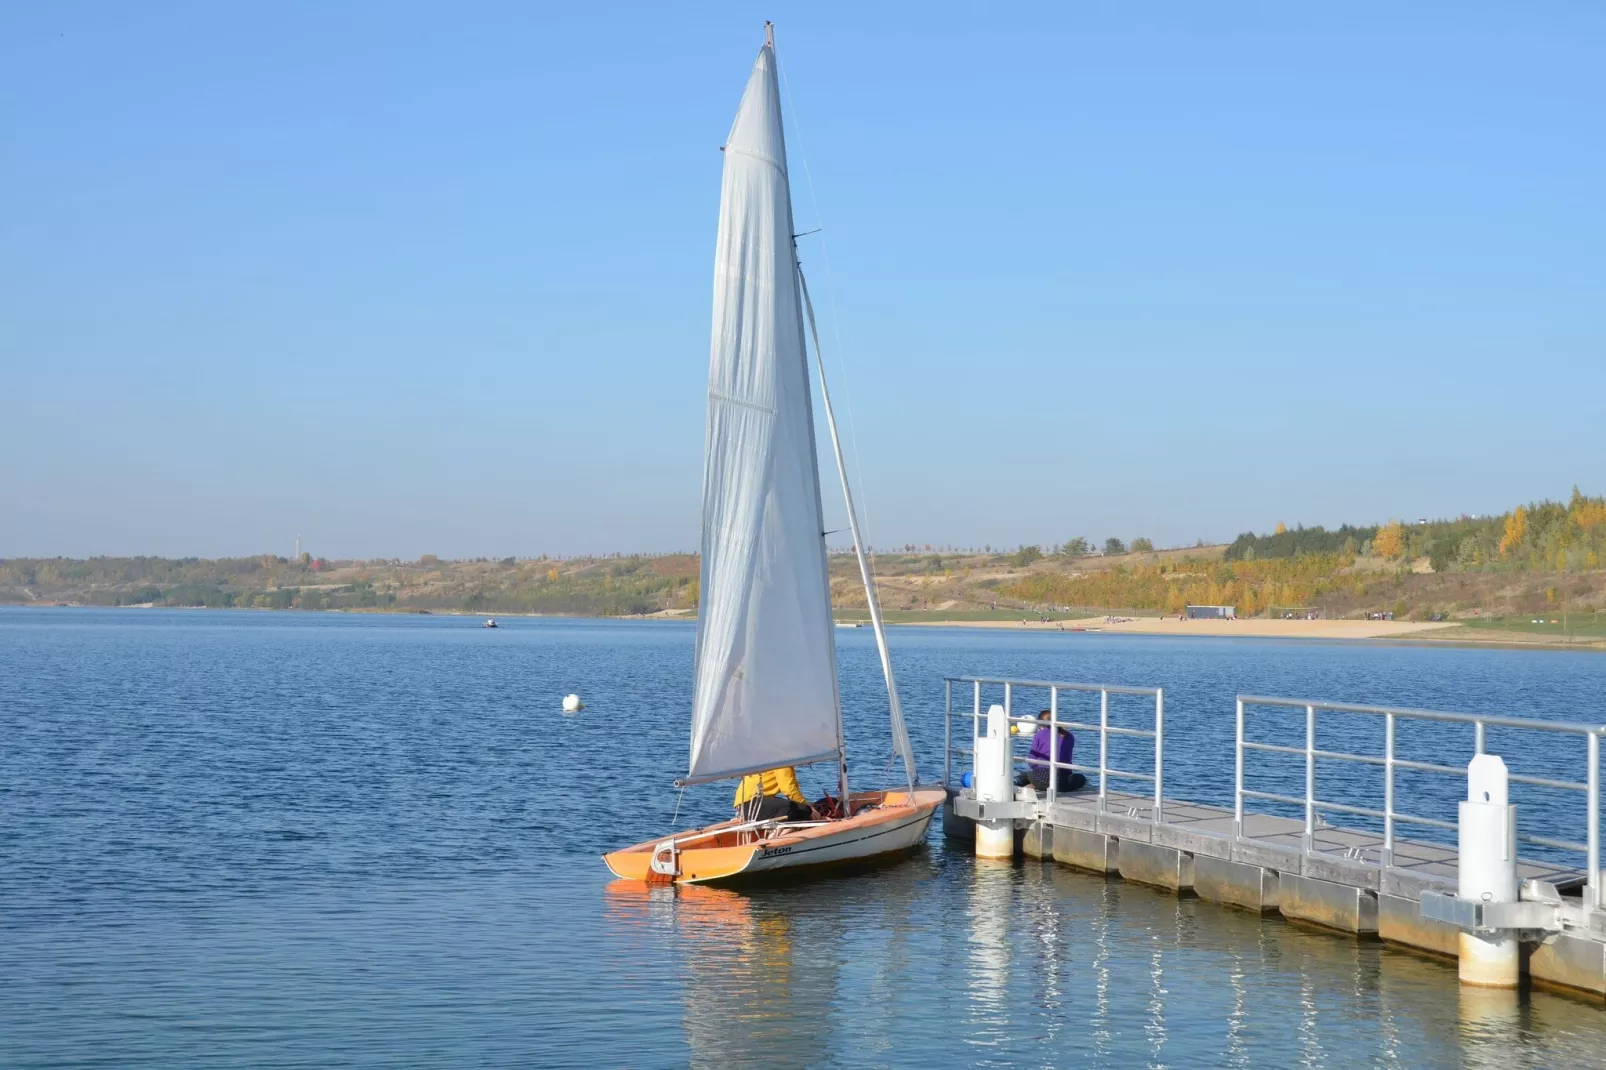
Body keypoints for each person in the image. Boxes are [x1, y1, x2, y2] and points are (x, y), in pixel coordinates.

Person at [1014, 709, 1087, 794]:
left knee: (1026, 775)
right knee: (1081, 778)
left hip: (1042, 779)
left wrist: (1037, 771)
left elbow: (1031, 761)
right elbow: (1068, 759)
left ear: (1040, 725)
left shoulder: (1039, 735)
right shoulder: (1069, 735)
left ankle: (1031, 784)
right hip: (1063, 783)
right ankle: (1039, 784)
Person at [734, 766, 817, 822]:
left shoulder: (775, 756)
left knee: (800, 808)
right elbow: (788, 790)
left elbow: (792, 788)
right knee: (802, 809)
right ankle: (774, 836)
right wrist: (810, 808)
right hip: (751, 805)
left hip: (744, 805)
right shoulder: (783, 761)